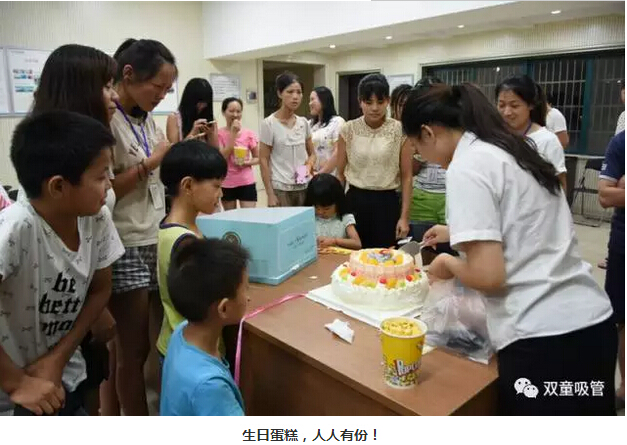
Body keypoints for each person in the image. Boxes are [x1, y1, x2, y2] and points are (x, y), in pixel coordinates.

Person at [401, 83, 616, 415]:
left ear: (428, 133)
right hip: (591, 325)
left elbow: (489, 275)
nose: (421, 157)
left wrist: (447, 262)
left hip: (543, 338)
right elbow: (525, 225)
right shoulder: (512, 149)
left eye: (417, 148)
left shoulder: (466, 165)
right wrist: (456, 232)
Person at [0, 111, 125, 415]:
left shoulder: (96, 218)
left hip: (63, 376)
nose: (110, 184)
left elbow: (100, 289)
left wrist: (57, 359)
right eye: (100, 176)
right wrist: (16, 382)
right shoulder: (15, 229)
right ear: (58, 187)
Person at [30, 43, 120, 416]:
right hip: (59, 312)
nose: (114, 96)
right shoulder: (51, 154)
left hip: (86, 299)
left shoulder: (96, 143)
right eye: (107, 86)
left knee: (87, 389)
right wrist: (94, 310)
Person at [109, 38, 177, 416]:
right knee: (130, 350)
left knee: (152, 340)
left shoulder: (144, 116)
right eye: (158, 87)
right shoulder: (109, 120)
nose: (162, 95)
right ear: (129, 74)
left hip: (153, 233)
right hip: (125, 241)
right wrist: (152, 162)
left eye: (167, 89)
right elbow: (104, 191)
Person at [160, 238, 249, 416]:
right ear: (224, 308)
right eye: (246, 288)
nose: (248, 298)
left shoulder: (181, 332)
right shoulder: (210, 386)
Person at [156, 141, 227, 360]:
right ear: (188, 186)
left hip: (178, 343)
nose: (220, 193)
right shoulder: (185, 241)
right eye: (216, 186)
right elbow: (205, 301)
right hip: (193, 351)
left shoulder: (171, 226)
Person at [336, 73, 412, 248]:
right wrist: (337, 212)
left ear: (388, 101)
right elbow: (339, 175)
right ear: (360, 102)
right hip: (355, 202)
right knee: (354, 257)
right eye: (368, 102)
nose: (375, 108)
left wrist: (404, 217)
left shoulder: (399, 130)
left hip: (387, 204)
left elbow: (407, 176)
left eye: (380, 101)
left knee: (384, 257)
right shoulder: (348, 129)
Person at [496, 75, 567, 192]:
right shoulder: (495, 138)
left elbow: (559, 188)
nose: (507, 112)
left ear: (530, 105)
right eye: (501, 105)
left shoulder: (547, 141)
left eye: (514, 106)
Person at [259, 71, 316, 207]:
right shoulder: (269, 124)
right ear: (280, 93)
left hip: (303, 185)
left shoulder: (303, 123)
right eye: (290, 92)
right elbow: (263, 160)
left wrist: (308, 166)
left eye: (299, 92)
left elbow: (312, 154)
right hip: (280, 188)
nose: (295, 97)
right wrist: (270, 194)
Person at [598, 130, 625, 408]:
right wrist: (616, 190)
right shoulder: (621, 142)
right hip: (622, 245)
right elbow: (605, 196)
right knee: (622, 319)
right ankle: (625, 386)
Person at [218, 97, 259, 210]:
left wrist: (246, 162)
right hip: (227, 182)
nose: (235, 114)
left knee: (249, 217)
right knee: (231, 217)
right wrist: (233, 133)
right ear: (224, 112)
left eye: (238, 111)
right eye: (231, 111)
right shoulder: (219, 134)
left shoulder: (249, 134)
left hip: (246, 181)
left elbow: (258, 158)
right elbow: (222, 157)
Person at [305, 173, 362, 251]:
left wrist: (335, 241)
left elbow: (357, 244)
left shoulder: (345, 218)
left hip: (338, 257)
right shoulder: (310, 218)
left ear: (338, 203)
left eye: (326, 209)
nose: (321, 212)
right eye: (317, 208)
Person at [166, 77, 219, 147]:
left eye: (206, 102)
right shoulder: (174, 118)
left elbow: (216, 150)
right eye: (199, 102)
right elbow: (174, 150)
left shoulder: (209, 118)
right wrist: (193, 133)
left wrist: (210, 134)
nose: (202, 106)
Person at [308, 86, 345, 174]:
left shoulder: (337, 122)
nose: (310, 103)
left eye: (312, 99)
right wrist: (300, 177)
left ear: (323, 100)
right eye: (309, 100)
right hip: (310, 176)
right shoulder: (309, 124)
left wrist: (320, 174)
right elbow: (303, 153)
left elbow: (338, 152)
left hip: (330, 176)